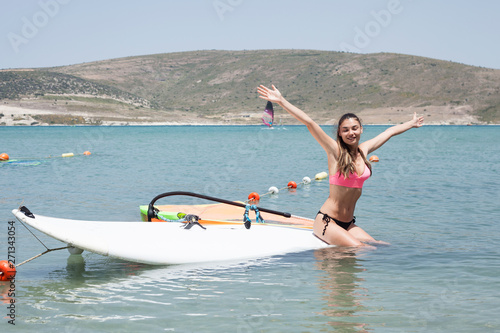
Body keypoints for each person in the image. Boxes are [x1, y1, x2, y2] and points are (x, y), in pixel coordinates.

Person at [257, 84, 424, 247]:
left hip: (349, 224)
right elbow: (310, 123)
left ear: (361, 130)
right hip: (327, 222)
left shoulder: (364, 151)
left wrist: (411, 124)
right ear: (340, 133)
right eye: (345, 130)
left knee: (382, 246)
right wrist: (281, 101)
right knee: (365, 250)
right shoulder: (335, 151)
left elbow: (389, 132)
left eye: (354, 128)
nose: (351, 133)